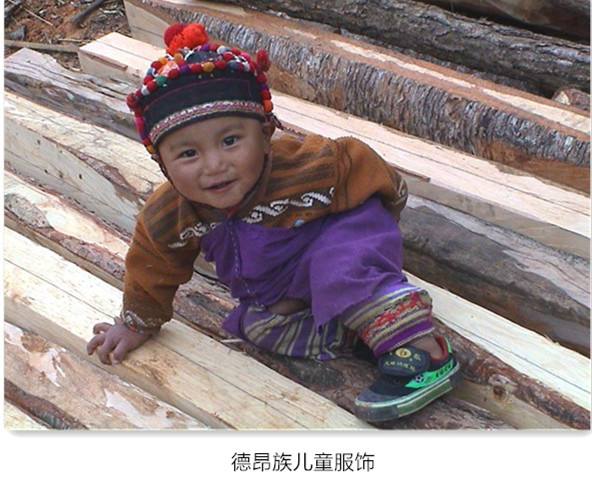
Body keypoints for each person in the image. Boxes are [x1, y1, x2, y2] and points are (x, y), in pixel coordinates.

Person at [86, 22, 461, 422]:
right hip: (287, 282)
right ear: (161, 162)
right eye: (188, 154)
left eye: (230, 141)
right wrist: (137, 323)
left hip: (342, 244)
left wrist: (384, 225)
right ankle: (357, 328)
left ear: (266, 134)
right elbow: (152, 266)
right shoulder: (170, 215)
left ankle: (424, 353)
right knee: (258, 325)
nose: (214, 165)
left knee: (342, 267)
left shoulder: (310, 166)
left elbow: (372, 171)